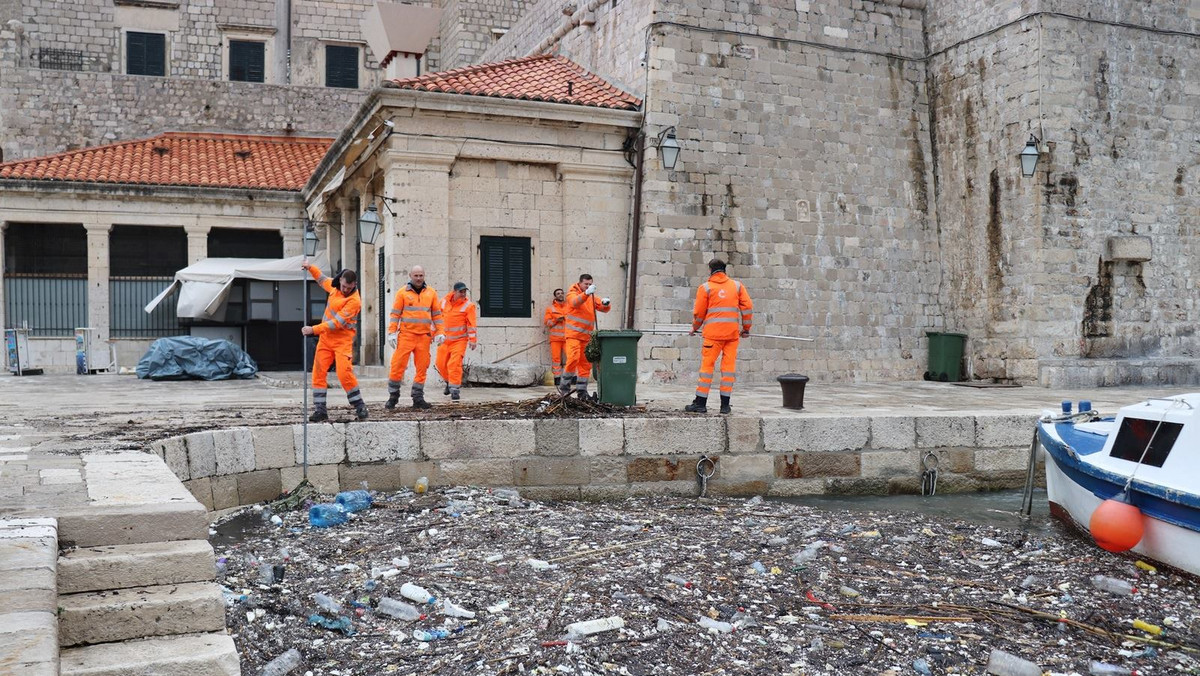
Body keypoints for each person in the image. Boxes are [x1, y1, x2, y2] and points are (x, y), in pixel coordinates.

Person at [300, 260, 367, 421]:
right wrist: (310, 267)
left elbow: (337, 323)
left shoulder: (354, 301)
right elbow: (321, 279)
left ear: (354, 285)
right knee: (318, 372)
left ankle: (359, 406)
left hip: (342, 341)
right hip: (325, 340)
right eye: (344, 286)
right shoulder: (335, 287)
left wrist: (313, 330)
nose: (345, 290)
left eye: (349, 288)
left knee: (344, 373)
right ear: (341, 281)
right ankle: (320, 410)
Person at [685, 258, 753, 415]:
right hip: (731, 336)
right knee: (728, 370)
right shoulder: (737, 286)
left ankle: (700, 404)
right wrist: (746, 328)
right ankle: (725, 406)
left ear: (710, 270)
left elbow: (699, 313)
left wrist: (695, 328)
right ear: (724, 269)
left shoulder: (706, 288)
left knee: (707, 369)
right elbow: (747, 307)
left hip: (712, 336)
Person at [385, 265, 443, 410]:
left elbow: (437, 315)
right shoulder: (402, 293)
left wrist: (440, 331)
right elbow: (395, 314)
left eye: (421, 275)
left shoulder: (431, 293)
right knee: (397, 366)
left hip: (424, 337)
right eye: (416, 275)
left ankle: (418, 398)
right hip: (406, 336)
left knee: (422, 368)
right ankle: (393, 396)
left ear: (424, 276)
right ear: (410, 275)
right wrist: (392, 333)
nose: (418, 278)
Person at [562, 273, 611, 399]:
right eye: (586, 284)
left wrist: (606, 304)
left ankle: (582, 392)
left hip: (586, 336)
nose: (588, 286)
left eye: (590, 284)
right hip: (573, 335)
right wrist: (586, 293)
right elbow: (574, 302)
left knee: (585, 364)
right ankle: (564, 389)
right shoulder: (572, 293)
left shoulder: (591, 296)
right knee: (573, 358)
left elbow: (603, 308)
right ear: (580, 283)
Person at [435, 281, 477, 401]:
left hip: (459, 341)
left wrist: (472, 340)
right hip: (444, 340)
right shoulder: (443, 302)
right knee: (440, 363)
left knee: (454, 364)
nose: (463, 294)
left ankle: (455, 390)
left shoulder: (469, 306)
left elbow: (471, 324)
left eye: (464, 291)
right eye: (461, 291)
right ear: (454, 292)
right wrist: (433, 334)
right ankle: (449, 382)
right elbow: (437, 318)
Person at [542, 287, 568, 388]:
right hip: (555, 339)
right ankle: (557, 378)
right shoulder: (550, 308)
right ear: (555, 296)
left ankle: (572, 377)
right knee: (556, 359)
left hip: (567, 338)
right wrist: (557, 320)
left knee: (571, 358)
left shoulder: (569, 307)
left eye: (562, 293)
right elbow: (547, 322)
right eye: (558, 293)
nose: (560, 295)